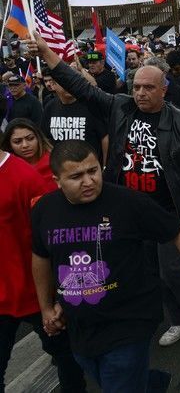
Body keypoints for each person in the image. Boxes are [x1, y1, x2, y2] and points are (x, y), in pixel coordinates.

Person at [26, 31, 180, 349]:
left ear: (164, 89)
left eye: (148, 88)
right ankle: (177, 319)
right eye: (136, 87)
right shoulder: (119, 108)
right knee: (148, 272)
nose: (140, 93)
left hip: (168, 209)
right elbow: (81, 87)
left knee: (172, 270)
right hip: (127, 211)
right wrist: (47, 54)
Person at [30, 141, 180, 393]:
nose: (88, 181)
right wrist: (46, 306)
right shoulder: (45, 209)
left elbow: (177, 232)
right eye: (76, 176)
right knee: (105, 374)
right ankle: (153, 384)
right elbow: (41, 257)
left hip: (128, 320)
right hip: (80, 325)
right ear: (57, 180)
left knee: (120, 381)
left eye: (93, 171)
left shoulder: (127, 202)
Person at [0, 143, 86, 393]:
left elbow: (55, 237)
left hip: (37, 292)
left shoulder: (25, 178)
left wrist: (60, 294)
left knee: (66, 355)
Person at [42, 68, 109, 165]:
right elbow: (45, 139)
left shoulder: (91, 106)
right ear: (53, 85)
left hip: (89, 168)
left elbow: (104, 138)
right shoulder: (50, 107)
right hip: (63, 170)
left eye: (71, 82)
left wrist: (105, 166)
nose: (69, 86)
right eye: (64, 82)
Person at [1, 118, 56, 189]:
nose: (25, 145)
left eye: (30, 138)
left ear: (38, 138)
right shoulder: (6, 167)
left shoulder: (55, 162)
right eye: (17, 142)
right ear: (9, 145)